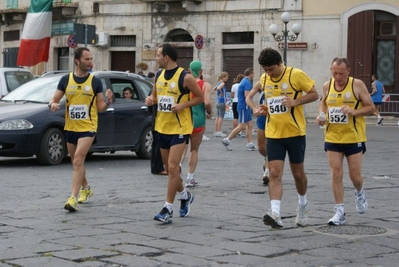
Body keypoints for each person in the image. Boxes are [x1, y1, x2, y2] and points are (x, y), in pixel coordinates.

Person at [256, 48, 319, 229]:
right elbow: (271, 102)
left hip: (295, 133)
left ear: (280, 64)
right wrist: (264, 109)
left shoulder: (296, 75)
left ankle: (302, 204)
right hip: (274, 133)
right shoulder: (264, 79)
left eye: (271, 69)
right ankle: (275, 213)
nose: (269, 73)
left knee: (298, 174)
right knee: (274, 173)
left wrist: (296, 101)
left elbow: (314, 94)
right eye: (265, 70)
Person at [145, 43, 204, 223]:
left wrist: (183, 105)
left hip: (180, 128)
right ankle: (185, 196)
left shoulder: (185, 77)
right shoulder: (158, 75)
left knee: (172, 167)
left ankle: (167, 209)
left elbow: (200, 98)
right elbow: (155, 97)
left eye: (157, 55)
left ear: (166, 57)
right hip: (162, 127)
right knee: (170, 169)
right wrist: (150, 99)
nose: (155, 58)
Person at [49, 47, 113, 212]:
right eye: (87, 59)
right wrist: (53, 105)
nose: (90, 62)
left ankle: (72, 198)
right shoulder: (65, 79)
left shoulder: (94, 81)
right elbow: (54, 100)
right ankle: (86, 188)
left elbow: (100, 108)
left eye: (91, 59)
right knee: (76, 163)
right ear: (77, 61)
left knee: (78, 160)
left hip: (88, 126)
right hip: (71, 126)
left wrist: (108, 102)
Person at [316, 57, 374, 226]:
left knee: (354, 176)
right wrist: (321, 116)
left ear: (348, 71)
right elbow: (324, 103)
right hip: (333, 136)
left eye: (341, 73)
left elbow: (370, 107)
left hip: (353, 137)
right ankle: (339, 211)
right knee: (335, 172)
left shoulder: (357, 85)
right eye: (335, 73)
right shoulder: (327, 85)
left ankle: (359, 192)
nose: (338, 77)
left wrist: (353, 111)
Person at [180, 60, 212, 187]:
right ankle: (190, 178)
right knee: (194, 149)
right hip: (198, 120)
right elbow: (207, 102)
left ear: (189, 69)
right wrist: (209, 112)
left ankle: (177, 169)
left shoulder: (184, 83)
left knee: (181, 148)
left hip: (185, 119)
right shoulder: (205, 85)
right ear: (201, 71)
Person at [221, 68, 257, 151]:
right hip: (244, 106)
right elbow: (247, 96)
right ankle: (227, 139)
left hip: (244, 106)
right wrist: (254, 107)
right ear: (250, 74)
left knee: (250, 124)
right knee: (242, 126)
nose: (254, 75)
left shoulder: (244, 81)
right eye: (253, 74)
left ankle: (249, 144)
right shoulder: (247, 82)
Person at [246, 78, 269, 185]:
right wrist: (254, 108)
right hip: (262, 117)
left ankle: (267, 173)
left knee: (271, 146)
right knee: (261, 147)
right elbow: (248, 98)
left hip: (275, 118)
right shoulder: (261, 83)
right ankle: (267, 158)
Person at [213, 72, 229, 137]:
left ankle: (216, 131)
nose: (227, 79)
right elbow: (219, 88)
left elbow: (214, 89)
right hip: (222, 101)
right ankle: (219, 131)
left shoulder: (218, 83)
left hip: (217, 101)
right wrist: (222, 94)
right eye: (226, 77)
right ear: (223, 77)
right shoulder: (222, 83)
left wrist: (217, 93)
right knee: (221, 117)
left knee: (217, 117)